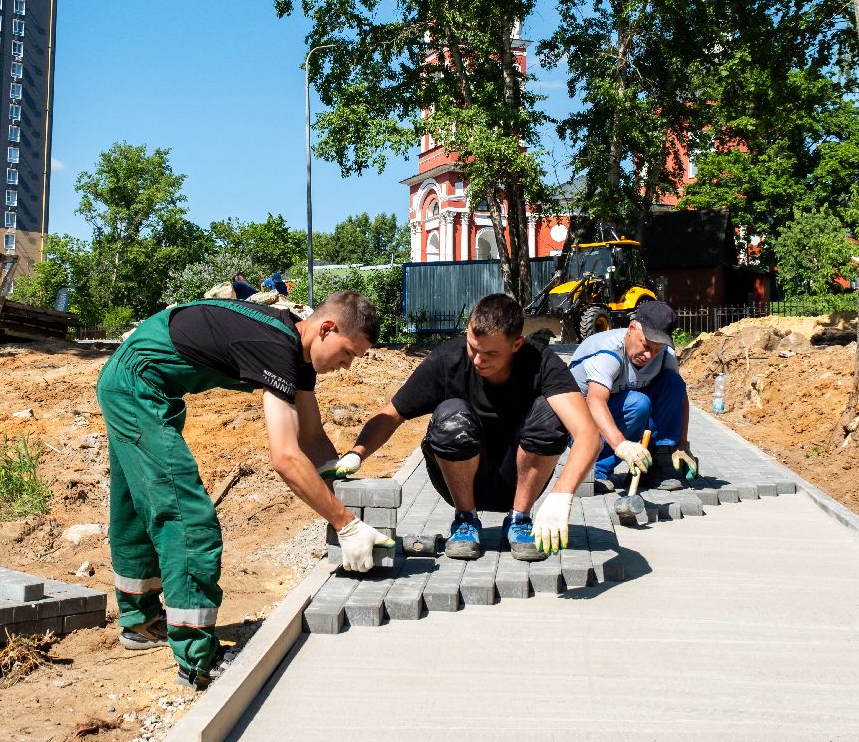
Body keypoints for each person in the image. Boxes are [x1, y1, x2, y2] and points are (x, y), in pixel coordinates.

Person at [97, 290, 387, 689]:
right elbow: (285, 457)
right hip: (136, 385)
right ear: (327, 329)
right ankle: (199, 660)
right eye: (348, 352)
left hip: (137, 381)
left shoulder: (295, 353)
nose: (346, 365)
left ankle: (140, 622)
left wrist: (344, 489)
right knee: (185, 515)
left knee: (135, 504)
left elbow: (312, 436)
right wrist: (347, 524)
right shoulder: (276, 348)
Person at [337, 293, 602, 562]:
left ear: (517, 345)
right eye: (473, 347)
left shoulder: (541, 363)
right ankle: (465, 521)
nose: (477, 360)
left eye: (490, 353)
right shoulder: (447, 360)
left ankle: (520, 520)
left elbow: (588, 435)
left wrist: (562, 495)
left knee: (551, 414)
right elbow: (391, 414)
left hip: (520, 478)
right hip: (462, 481)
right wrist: (357, 453)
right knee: (451, 414)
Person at [568, 299, 696, 493]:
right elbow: (595, 401)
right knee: (638, 403)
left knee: (673, 384)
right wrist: (622, 445)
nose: (649, 355)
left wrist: (682, 443)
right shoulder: (608, 352)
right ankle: (596, 469)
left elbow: (679, 396)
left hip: (618, 409)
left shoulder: (664, 354)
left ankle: (654, 464)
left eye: (656, 349)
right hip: (580, 421)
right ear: (631, 328)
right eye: (645, 345)